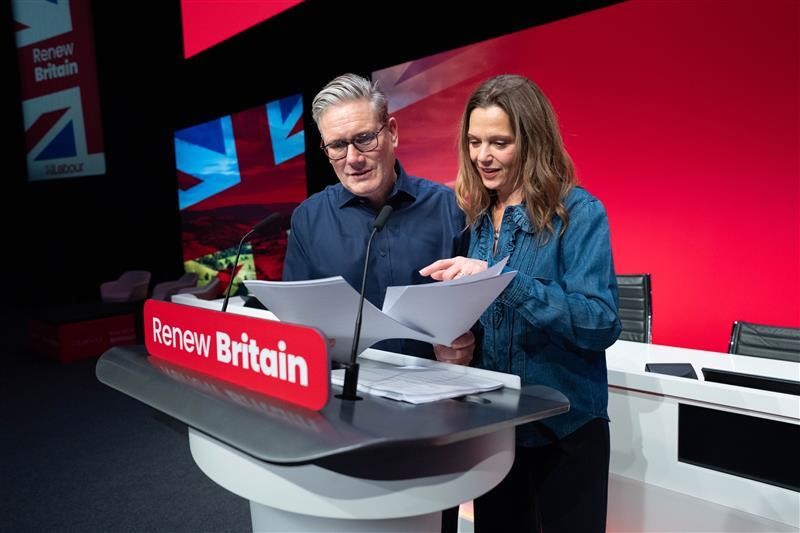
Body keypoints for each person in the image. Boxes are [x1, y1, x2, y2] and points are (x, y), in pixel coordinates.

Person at [420, 74, 621, 532]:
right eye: (474, 142)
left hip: (565, 432)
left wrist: (503, 281)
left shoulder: (579, 213)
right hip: (495, 431)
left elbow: (601, 322)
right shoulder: (474, 218)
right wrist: (453, 343)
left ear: (532, 142)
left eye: (499, 143)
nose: (482, 156)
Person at [282, 73, 469, 532]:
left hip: (436, 416)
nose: (352, 158)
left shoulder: (449, 208)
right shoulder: (308, 219)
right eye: (336, 146)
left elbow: (481, 309)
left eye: (364, 138)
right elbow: (294, 326)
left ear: (392, 131)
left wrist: (467, 343)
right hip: (342, 417)